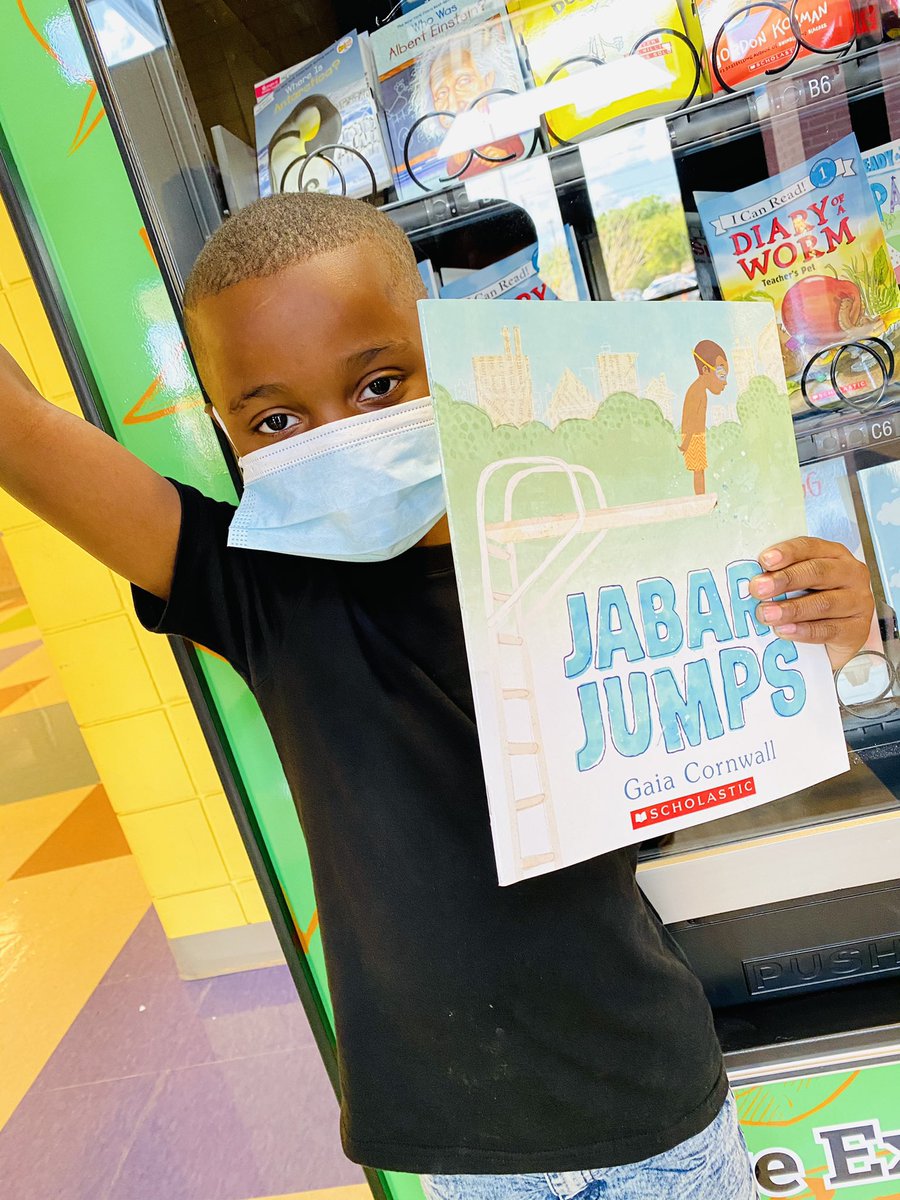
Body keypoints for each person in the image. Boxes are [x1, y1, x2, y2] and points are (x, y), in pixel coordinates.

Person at [0, 193, 874, 1200]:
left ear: (450, 356)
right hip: (463, 1154)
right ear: (228, 430)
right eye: (276, 418)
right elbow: (20, 430)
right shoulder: (258, 588)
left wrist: (830, 619)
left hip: (654, 1109)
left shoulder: (590, 532)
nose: (339, 433)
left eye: (378, 384)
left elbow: (752, 678)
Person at [681, 339, 729, 496]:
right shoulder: (697, 392)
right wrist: (687, 441)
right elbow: (690, 420)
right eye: (721, 374)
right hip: (693, 437)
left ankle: (700, 497)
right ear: (706, 370)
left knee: (699, 470)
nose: (725, 382)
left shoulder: (699, 391)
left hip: (696, 437)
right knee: (698, 470)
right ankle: (700, 498)